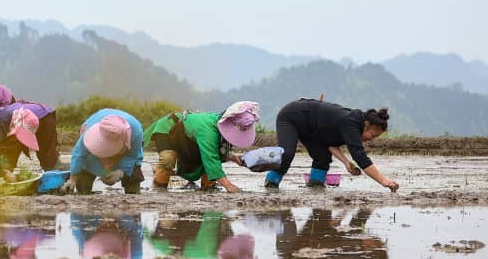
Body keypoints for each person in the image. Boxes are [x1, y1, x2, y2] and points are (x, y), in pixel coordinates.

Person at [264, 99, 398, 191]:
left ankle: (315, 188)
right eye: (373, 135)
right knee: (287, 153)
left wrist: (346, 162)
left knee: (322, 157)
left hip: (311, 130)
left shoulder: (355, 123)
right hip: (291, 116)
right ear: (367, 125)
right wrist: (384, 181)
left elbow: (330, 143)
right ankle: (271, 185)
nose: (371, 139)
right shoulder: (351, 124)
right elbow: (361, 157)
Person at [143, 101, 259, 193]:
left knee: (210, 157)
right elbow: (211, 160)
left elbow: (217, 152)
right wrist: (229, 186)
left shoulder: (217, 127)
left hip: (188, 138)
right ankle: (159, 189)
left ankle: (208, 188)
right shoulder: (209, 131)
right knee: (168, 158)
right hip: (169, 128)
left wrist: (234, 158)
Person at [62, 109, 144, 194]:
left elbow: (133, 156)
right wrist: (72, 178)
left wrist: (121, 171)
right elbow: (79, 153)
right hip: (94, 151)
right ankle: (83, 191)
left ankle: (132, 192)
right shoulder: (90, 131)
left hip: (126, 155)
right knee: (83, 183)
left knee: (132, 177)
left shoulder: (136, 131)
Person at [0, 101, 60, 170]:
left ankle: (52, 173)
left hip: (43, 116)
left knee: (48, 153)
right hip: (43, 113)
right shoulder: (0, 113)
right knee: (9, 148)